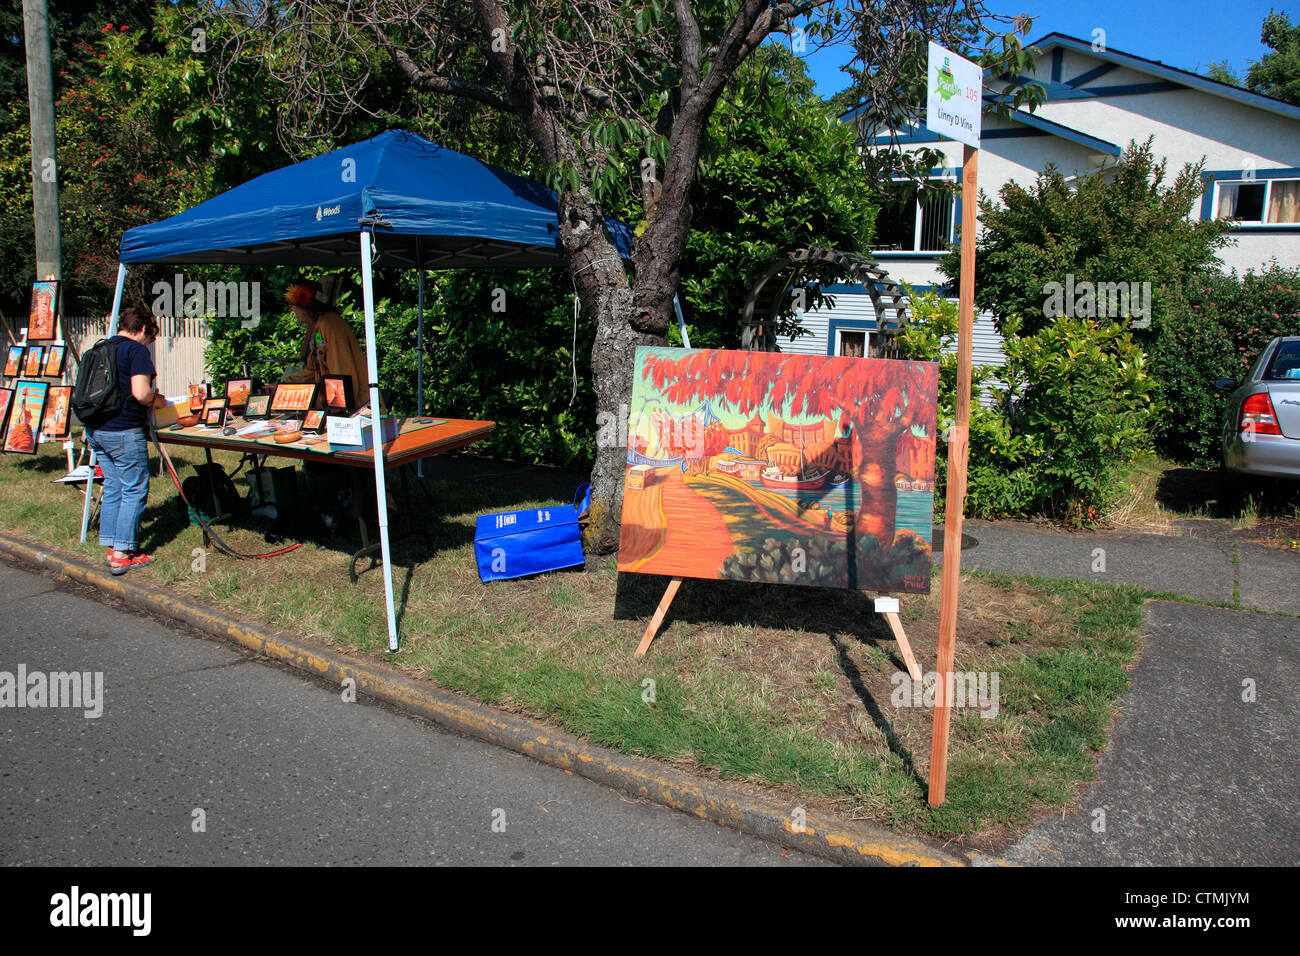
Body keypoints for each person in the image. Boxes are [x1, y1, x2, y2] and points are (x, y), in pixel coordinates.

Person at [85, 302, 168, 575]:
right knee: (134, 489)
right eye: (150, 337)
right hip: (123, 429)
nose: (149, 342)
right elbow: (141, 393)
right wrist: (158, 401)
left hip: (96, 429)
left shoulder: (99, 348)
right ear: (143, 329)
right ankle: (123, 553)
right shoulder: (136, 350)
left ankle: (112, 548)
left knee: (113, 487)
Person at [281, 280, 368, 404]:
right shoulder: (318, 327)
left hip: (355, 409)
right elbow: (312, 371)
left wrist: (337, 405)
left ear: (305, 306)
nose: (291, 309)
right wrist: (283, 386)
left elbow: (341, 370)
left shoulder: (330, 325)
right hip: (340, 406)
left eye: (293, 305)